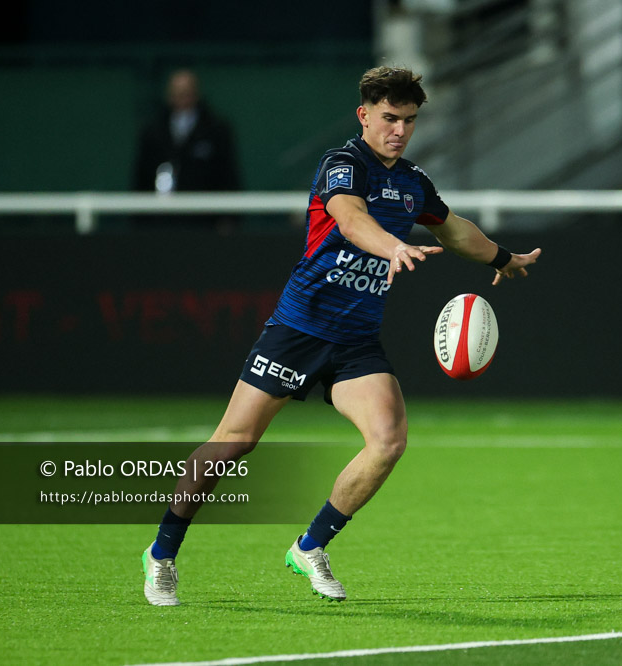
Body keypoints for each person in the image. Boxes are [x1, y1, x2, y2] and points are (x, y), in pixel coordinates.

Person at [140, 66, 541, 606]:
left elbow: (452, 228)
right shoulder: (343, 166)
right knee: (232, 445)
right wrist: (393, 247)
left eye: (410, 121)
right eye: (390, 118)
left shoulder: (413, 182)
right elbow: (350, 220)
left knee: (388, 441)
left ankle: (310, 546)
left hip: (355, 341)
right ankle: (162, 553)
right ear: (365, 115)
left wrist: (502, 257)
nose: (399, 130)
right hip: (298, 330)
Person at [131, 69, 241, 232]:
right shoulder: (153, 131)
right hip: (161, 224)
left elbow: (228, 175)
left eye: (186, 93)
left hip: (204, 223)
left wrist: (229, 218)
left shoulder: (216, 129)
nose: (182, 98)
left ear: (196, 94)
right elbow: (141, 178)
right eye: (177, 93)